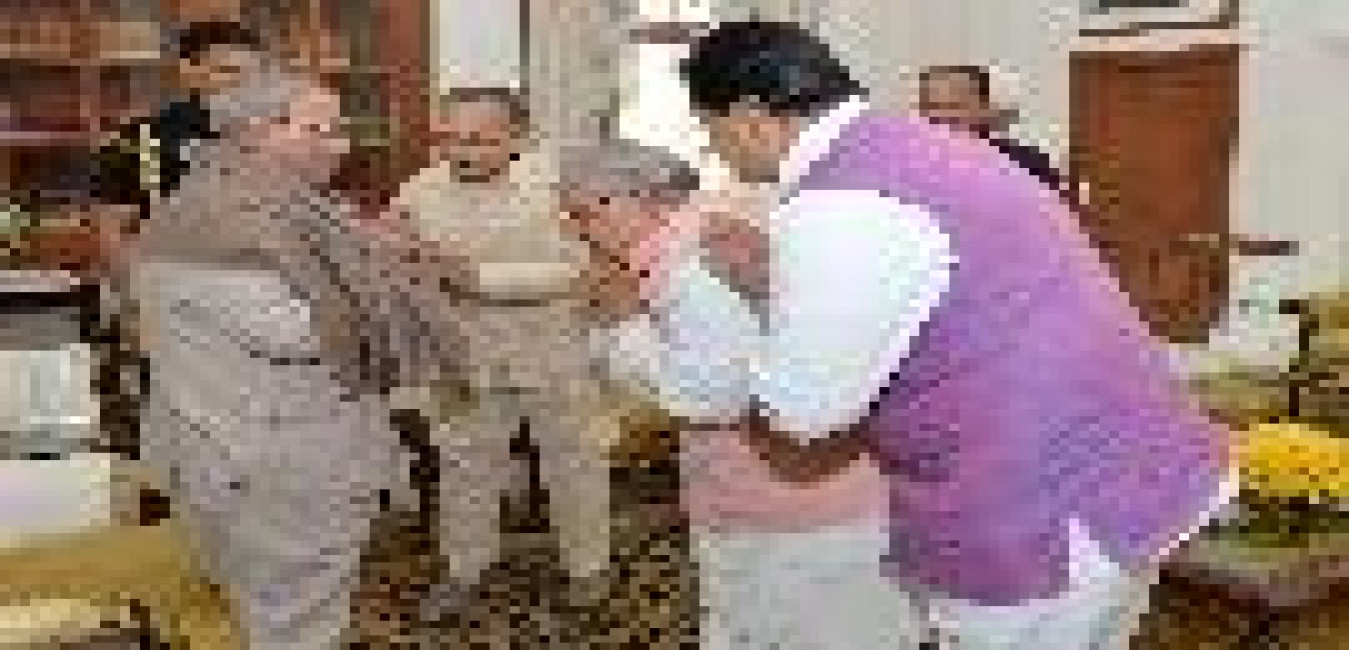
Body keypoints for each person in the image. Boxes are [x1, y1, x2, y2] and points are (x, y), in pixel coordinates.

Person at [588, 20, 1234, 649]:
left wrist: (655, 337)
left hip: (1046, 510)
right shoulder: (913, 147)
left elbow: (801, 413)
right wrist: (773, 284)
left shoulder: (840, 203)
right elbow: (928, 295)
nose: (713, 151)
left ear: (750, 116)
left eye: (709, 129)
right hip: (1132, 469)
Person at [110, 69, 469, 649]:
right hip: (276, 460)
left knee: (268, 601)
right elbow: (300, 334)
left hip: (237, 442)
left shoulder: (249, 201)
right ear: (255, 132)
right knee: (298, 617)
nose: (339, 146)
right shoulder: (229, 223)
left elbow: (325, 267)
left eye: (340, 130)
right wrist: (391, 271)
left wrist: (371, 251)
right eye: (317, 130)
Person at [563, 138, 924, 650]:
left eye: (587, 213)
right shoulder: (704, 236)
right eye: (572, 216)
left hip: (790, 500)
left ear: (646, 199)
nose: (580, 230)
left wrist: (619, 324)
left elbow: (712, 396)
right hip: (794, 486)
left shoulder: (692, 262)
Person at [388, 87, 623, 619]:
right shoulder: (419, 190)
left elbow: (583, 268)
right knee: (464, 467)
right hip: (463, 356)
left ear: (519, 137)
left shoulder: (563, 188)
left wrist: (478, 278)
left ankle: (588, 567)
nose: (459, 152)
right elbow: (402, 261)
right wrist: (401, 260)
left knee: (575, 463)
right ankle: (464, 571)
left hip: (555, 352)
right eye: (448, 139)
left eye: (477, 140)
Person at [94, 21, 269, 206]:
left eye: (251, 76)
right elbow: (133, 210)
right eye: (227, 71)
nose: (242, 85)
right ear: (188, 71)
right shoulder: (146, 139)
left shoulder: (266, 136)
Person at [918, 64, 1067, 194]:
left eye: (956, 106)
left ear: (984, 108)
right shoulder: (914, 169)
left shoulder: (1028, 165)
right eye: (934, 107)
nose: (945, 116)